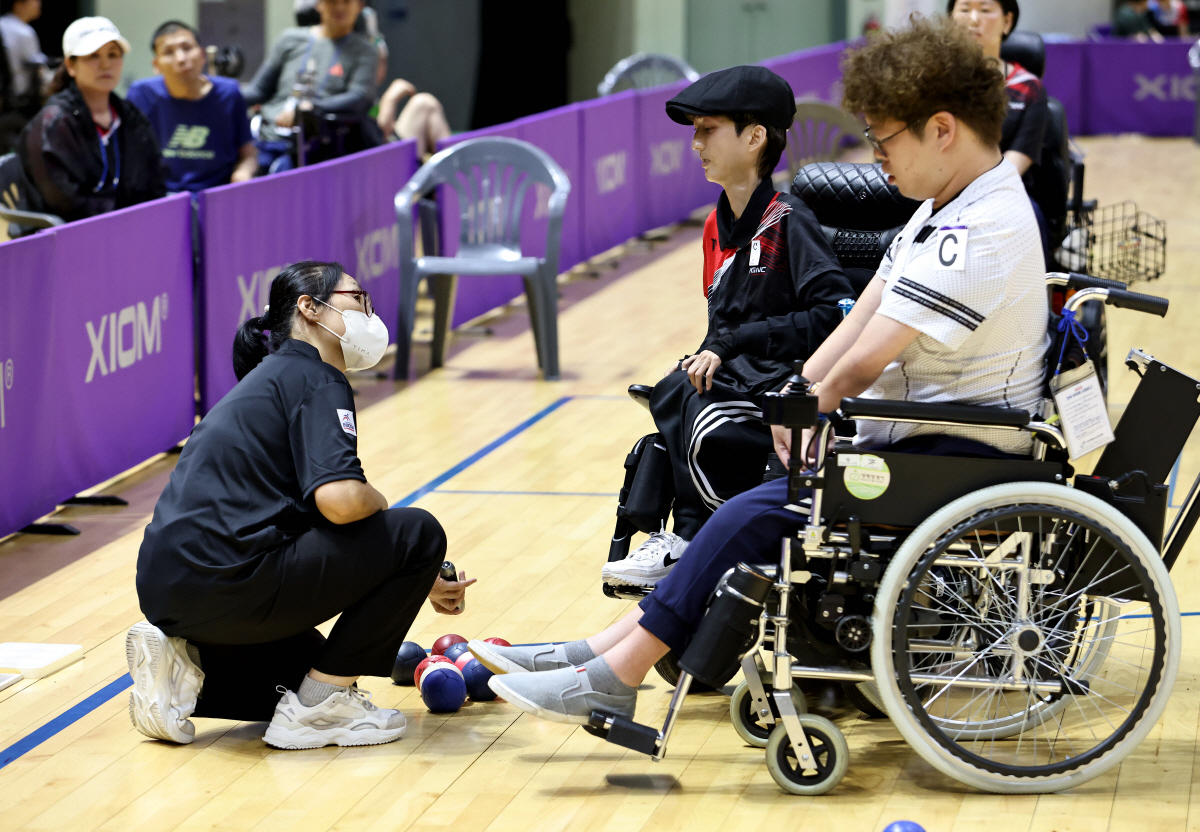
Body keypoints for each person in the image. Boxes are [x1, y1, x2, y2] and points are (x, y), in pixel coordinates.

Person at [475, 14, 1050, 725]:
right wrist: (804, 389)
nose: (875, 156)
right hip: (911, 438)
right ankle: (601, 654)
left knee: (756, 512)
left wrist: (812, 409)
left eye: (884, 137)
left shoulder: (978, 231)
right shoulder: (944, 207)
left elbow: (864, 359)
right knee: (755, 497)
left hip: (951, 451)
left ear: (941, 129)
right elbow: (859, 318)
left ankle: (616, 670)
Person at [129, 260, 474, 750]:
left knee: (311, 672)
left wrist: (418, 578)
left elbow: (307, 518)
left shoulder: (270, 379)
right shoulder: (318, 379)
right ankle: (318, 712)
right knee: (416, 532)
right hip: (233, 580)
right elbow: (340, 502)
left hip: (171, 592)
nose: (369, 314)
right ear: (310, 308)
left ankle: (184, 674)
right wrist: (387, 516)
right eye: (358, 298)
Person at [600, 65, 853, 591]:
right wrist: (711, 350)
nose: (696, 144)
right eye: (695, 131)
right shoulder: (717, 223)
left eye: (707, 130)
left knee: (695, 407)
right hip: (741, 378)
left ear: (755, 136)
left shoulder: (789, 221)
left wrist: (734, 344)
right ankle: (667, 538)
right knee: (675, 389)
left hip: (786, 389)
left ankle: (691, 539)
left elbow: (832, 314)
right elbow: (723, 322)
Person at [15, 17, 166, 224]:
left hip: (126, 227)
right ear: (71, 65)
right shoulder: (54, 122)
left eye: (113, 54)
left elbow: (153, 180)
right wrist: (123, 218)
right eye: (93, 56)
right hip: (69, 235)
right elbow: (63, 201)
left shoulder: (131, 117)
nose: (106, 64)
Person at [947, 0, 1061, 258]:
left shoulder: (1028, 87)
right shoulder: (932, 82)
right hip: (939, 188)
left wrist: (963, 199)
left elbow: (1014, 164)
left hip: (1002, 194)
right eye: (964, 9)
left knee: (1031, 215)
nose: (973, 19)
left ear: (1007, 21)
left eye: (985, 10)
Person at [242, 0, 380, 172]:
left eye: (347, 1)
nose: (339, 7)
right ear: (319, 4)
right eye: (332, 1)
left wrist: (310, 109)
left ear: (359, 6)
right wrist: (221, 92)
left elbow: (360, 96)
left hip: (316, 141)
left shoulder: (364, 50)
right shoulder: (290, 39)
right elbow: (258, 90)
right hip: (267, 134)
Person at [127, 21, 255, 193]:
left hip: (216, 193)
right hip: (163, 196)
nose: (181, 59)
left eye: (187, 48)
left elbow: (248, 153)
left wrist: (243, 173)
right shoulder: (141, 94)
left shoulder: (229, 93)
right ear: (156, 65)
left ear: (202, 55)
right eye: (168, 52)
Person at [375, 78, 450, 160]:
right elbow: (381, 134)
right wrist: (390, 100)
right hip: (380, 161)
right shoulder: (360, 92)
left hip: (392, 149)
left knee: (425, 103)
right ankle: (454, 165)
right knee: (422, 103)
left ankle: (455, 163)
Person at [0, 0, 51, 111]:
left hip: (5, 90)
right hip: (22, 90)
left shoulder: (3, 24)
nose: (39, 3)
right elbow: (39, 68)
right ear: (18, 4)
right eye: (34, 1)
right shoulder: (23, 32)